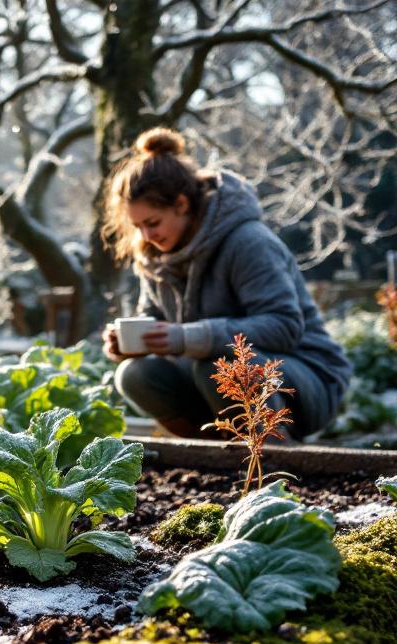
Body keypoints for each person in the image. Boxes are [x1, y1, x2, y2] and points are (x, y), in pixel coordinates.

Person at [100, 127, 351, 440]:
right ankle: (215, 457)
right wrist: (131, 342)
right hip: (214, 380)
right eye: (138, 226)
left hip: (305, 378)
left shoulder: (248, 241)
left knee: (222, 365)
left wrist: (193, 337)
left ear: (181, 204)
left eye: (152, 223)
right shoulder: (154, 256)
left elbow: (285, 325)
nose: (147, 236)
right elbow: (157, 321)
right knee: (136, 376)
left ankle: (271, 460)